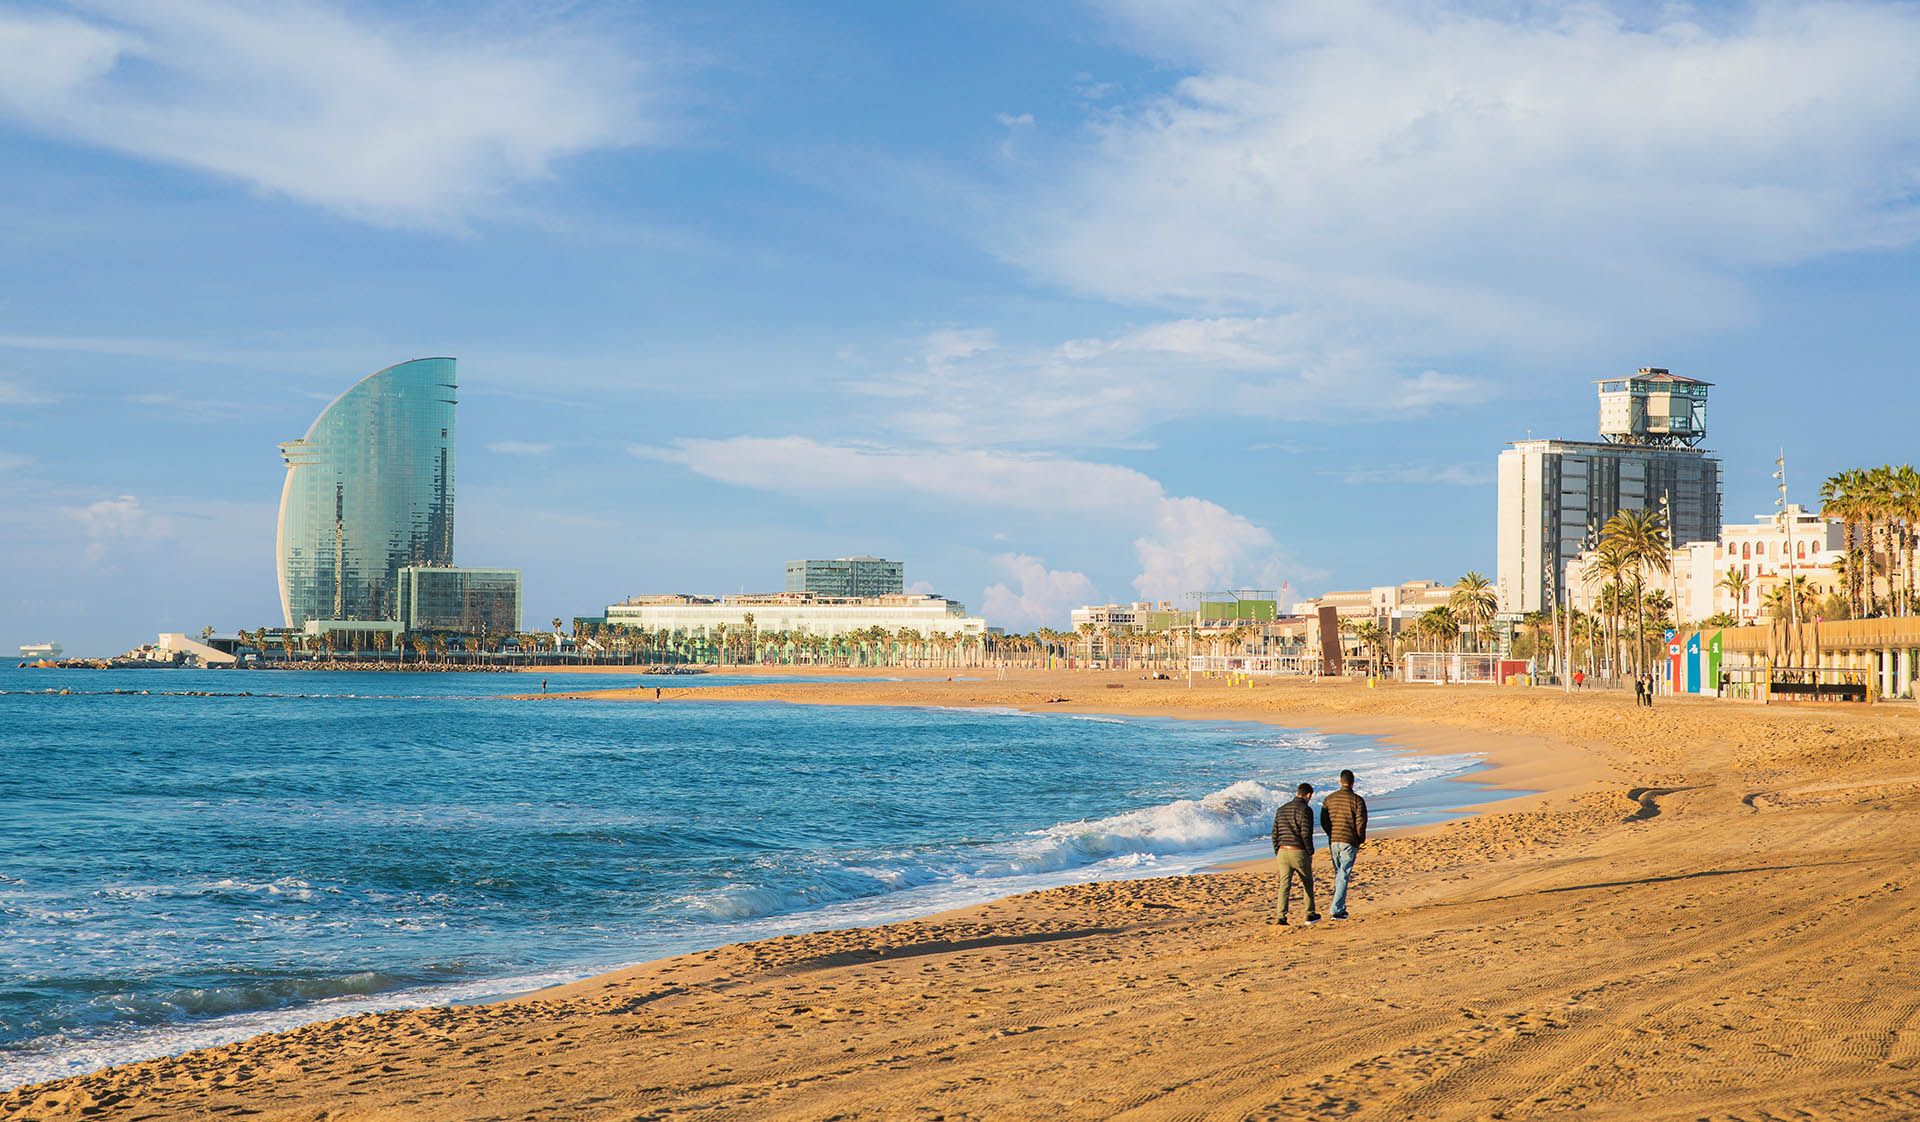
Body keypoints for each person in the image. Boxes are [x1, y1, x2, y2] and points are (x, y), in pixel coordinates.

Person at [1319, 769, 1367, 920]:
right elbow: (1361, 822)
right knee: (1343, 875)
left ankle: (1340, 906)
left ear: (1340, 781)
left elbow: (1324, 820)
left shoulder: (1329, 799)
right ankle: (1336, 909)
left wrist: (1331, 834)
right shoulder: (1357, 800)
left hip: (1334, 840)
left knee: (1339, 874)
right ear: (1353, 783)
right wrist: (1359, 839)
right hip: (1349, 840)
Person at [1270, 782, 1320, 926]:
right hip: (1298, 851)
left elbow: (1275, 833)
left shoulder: (1281, 809)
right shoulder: (1306, 810)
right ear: (1308, 795)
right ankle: (1310, 914)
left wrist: (1277, 850)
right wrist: (1310, 851)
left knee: (1284, 885)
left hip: (1282, 851)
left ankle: (1281, 916)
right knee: (1307, 882)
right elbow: (1306, 833)